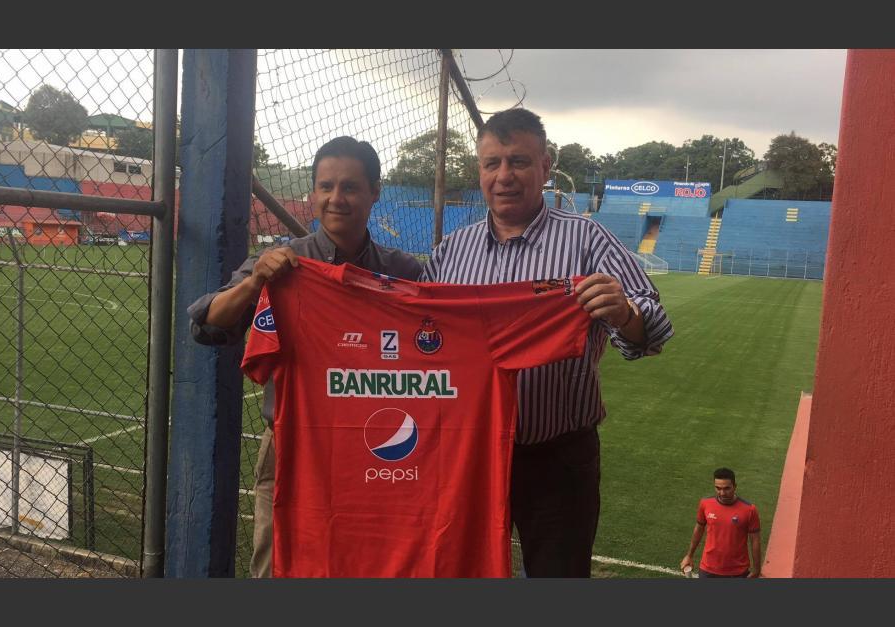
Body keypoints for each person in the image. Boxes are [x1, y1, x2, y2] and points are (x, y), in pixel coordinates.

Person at [420, 108, 674, 577]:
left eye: (518, 161)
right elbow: (420, 337)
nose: (504, 176)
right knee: (459, 570)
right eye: (491, 163)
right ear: (479, 170)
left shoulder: (587, 240)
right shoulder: (452, 252)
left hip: (558, 459)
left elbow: (654, 326)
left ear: (545, 166)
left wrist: (624, 313)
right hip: (469, 455)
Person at [187, 136, 422, 577]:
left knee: (369, 564)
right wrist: (255, 283)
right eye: (326, 186)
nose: (336, 198)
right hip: (293, 446)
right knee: (277, 566)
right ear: (313, 193)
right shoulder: (283, 264)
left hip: (375, 448)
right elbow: (206, 325)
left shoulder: (404, 271)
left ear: (375, 192)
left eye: (350, 187)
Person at [680, 467, 761, 578]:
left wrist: (756, 569)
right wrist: (689, 555)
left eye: (727, 488)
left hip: (737, 571)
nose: (722, 493)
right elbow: (699, 529)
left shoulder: (749, 510)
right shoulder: (705, 504)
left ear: (735, 486)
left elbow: (755, 540)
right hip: (708, 569)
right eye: (718, 488)